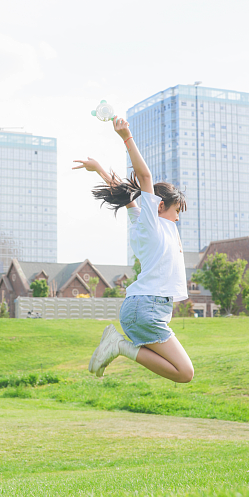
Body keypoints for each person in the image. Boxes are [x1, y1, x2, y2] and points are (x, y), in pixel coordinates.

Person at [72, 116, 194, 384]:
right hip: (146, 307)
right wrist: (126, 136)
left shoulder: (144, 222)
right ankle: (119, 346)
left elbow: (125, 194)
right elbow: (144, 176)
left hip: (145, 308)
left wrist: (100, 169)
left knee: (184, 373)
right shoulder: (152, 224)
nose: (178, 218)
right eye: (176, 211)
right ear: (159, 206)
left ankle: (119, 345)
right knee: (185, 373)